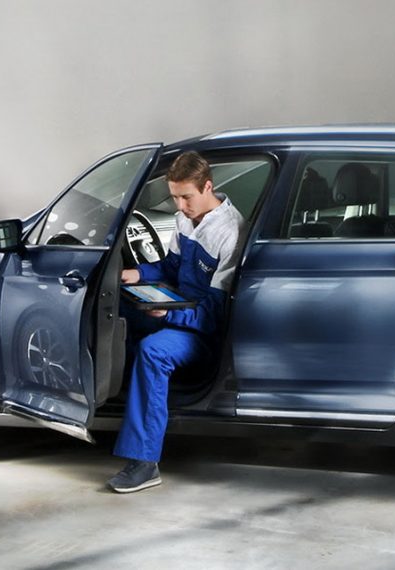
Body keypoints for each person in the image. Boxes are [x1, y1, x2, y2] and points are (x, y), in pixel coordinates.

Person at [107, 151, 245, 493]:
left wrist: (169, 313)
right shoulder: (185, 219)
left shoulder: (230, 232)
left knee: (153, 351)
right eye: (174, 198)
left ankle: (144, 461)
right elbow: (171, 267)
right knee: (117, 311)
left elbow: (216, 313)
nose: (180, 206)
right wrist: (138, 273)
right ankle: (120, 409)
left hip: (202, 331)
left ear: (207, 186)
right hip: (177, 309)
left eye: (186, 197)